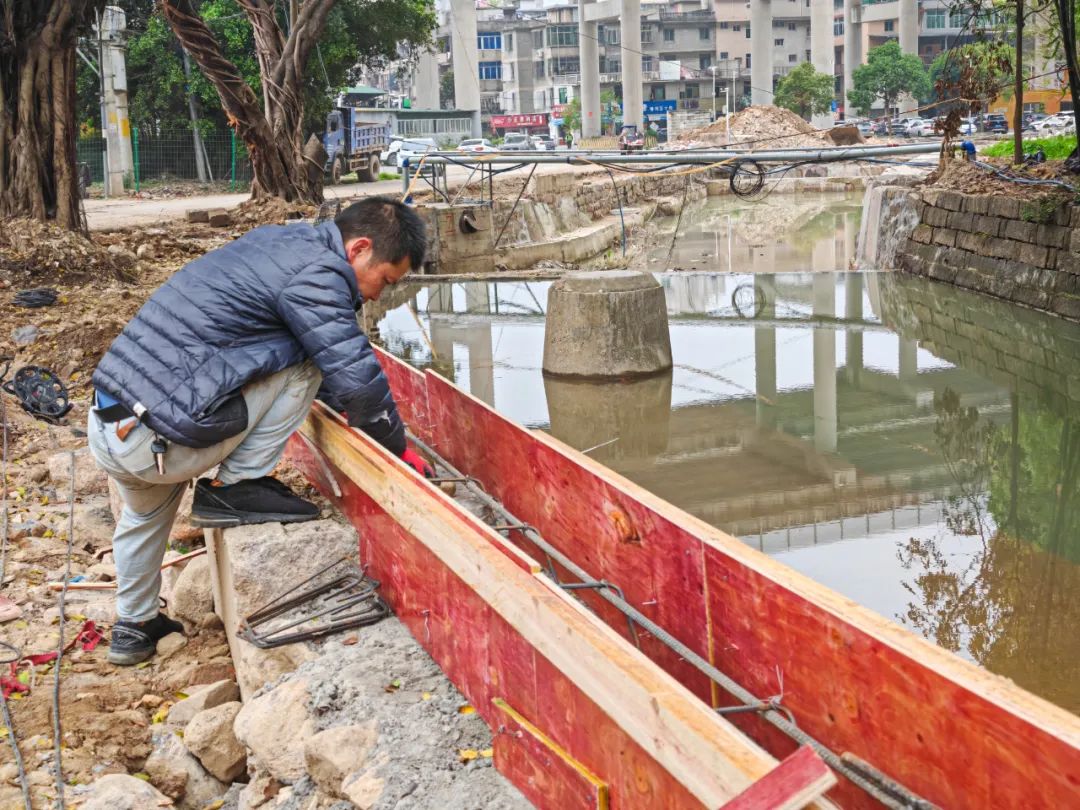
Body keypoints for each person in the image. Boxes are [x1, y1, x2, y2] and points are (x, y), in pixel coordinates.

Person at [88, 196, 432, 665]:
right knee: (308, 361)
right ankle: (237, 487)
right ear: (359, 249)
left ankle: (133, 626)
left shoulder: (282, 242)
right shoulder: (319, 275)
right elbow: (354, 378)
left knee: (144, 517)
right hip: (157, 440)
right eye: (385, 280)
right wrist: (397, 453)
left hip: (114, 420)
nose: (377, 295)